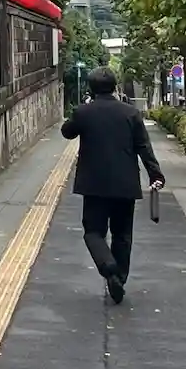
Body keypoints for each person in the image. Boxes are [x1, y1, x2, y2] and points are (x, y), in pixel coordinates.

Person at [62, 68, 165, 303]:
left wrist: (82, 109)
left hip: (94, 185)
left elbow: (67, 132)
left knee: (93, 231)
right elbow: (143, 146)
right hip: (125, 183)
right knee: (123, 234)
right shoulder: (130, 113)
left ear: (91, 88)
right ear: (114, 86)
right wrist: (155, 174)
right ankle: (119, 277)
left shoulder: (84, 112)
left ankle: (108, 267)